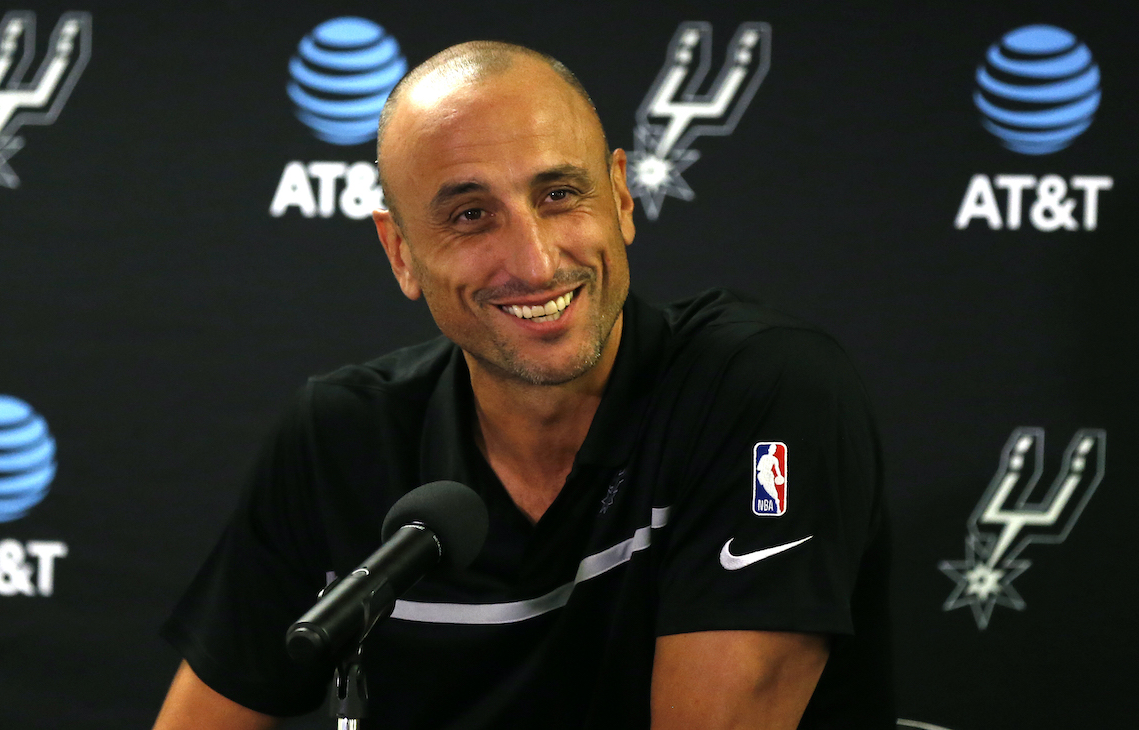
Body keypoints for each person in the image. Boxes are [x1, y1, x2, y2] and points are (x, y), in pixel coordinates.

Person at [153, 41, 894, 729]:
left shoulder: (765, 391)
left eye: (560, 195)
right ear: (400, 252)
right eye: (471, 216)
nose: (536, 263)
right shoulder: (341, 433)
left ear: (621, 197)